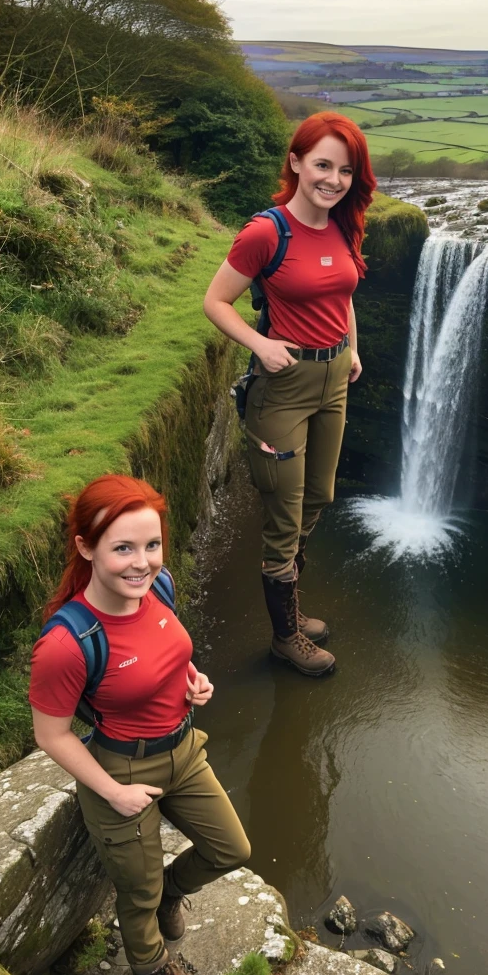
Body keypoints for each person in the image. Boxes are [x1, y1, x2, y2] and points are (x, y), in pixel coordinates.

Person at [29, 475, 250, 975]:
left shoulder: (161, 586)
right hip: (122, 769)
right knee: (139, 891)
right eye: (123, 548)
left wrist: (194, 681)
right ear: (86, 547)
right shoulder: (66, 642)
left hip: (185, 750)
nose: (142, 562)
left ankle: (174, 892)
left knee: (232, 850)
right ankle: (152, 972)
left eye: (152, 545)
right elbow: (51, 735)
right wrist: (114, 793)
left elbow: (170, 653)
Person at [203, 112, 376, 677]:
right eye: (323, 165)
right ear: (297, 162)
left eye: (345, 170)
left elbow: (344, 293)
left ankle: (291, 603)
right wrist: (260, 343)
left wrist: (351, 347)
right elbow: (215, 302)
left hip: (333, 383)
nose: (333, 179)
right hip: (283, 386)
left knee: (319, 496)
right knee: (284, 514)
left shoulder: (345, 226)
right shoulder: (266, 232)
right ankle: (285, 637)